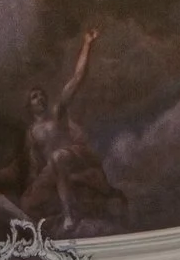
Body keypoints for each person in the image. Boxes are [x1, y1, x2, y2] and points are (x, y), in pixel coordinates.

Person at [19, 25, 124, 227]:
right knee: (27, 203)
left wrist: (87, 44)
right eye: (34, 96)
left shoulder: (57, 112)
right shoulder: (31, 133)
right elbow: (35, 165)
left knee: (58, 156)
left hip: (75, 156)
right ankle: (63, 207)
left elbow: (77, 78)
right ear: (29, 105)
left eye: (41, 94)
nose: (40, 98)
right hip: (54, 168)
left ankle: (70, 215)